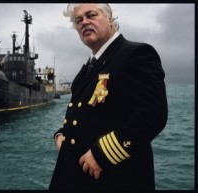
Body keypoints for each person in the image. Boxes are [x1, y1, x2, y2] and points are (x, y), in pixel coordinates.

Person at [49, 3, 168, 191]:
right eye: (78, 20)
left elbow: (152, 115)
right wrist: (62, 133)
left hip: (113, 179)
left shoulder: (135, 54)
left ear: (110, 18)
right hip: (74, 178)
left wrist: (101, 154)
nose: (84, 22)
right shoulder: (86, 70)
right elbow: (82, 114)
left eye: (91, 15)